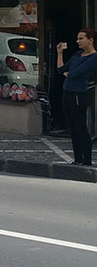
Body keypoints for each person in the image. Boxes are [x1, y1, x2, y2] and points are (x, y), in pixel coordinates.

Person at [56, 28, 97, 165]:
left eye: (81, 38)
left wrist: (69, 73)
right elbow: (61, 69)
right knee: (72, 127)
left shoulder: (93, 57)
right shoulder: (77, 54)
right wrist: (60, 53)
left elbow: (75, 73)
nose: (77, 41)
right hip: (67, 92)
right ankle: (77, 158)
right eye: (77, 38)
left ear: (90, 40)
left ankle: (87, 160)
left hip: (79, 93)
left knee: (80, 126)